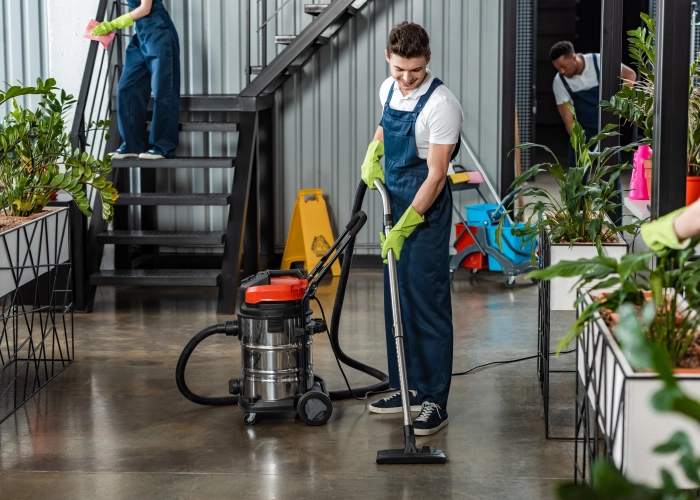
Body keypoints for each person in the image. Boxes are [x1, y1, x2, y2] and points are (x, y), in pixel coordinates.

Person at [361, 22, 463, 436]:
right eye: (399, 69)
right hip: (395, 204)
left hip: (425, 212)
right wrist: (374, 151)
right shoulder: (388, 89)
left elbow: (436, 176)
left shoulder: (442, 105)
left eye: (415, 71)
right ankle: (408, 390)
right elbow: (385, 127)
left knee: (427, 302)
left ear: (428, 60)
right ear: (388, 58)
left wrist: (405, 226)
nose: (406, 79)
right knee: (398, 299)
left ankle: (435, 400)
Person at [550, 41, 636, 224]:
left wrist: (621, 104)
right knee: (577, 180)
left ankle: (615, 226)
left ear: (574, 57)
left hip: (607, 130)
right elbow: (568, 119)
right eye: (558, 69)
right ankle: (578, 226)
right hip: (582, 132)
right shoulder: (560, 82)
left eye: (564, 66)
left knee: (610, 180)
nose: (562, 71)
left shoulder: (599, 62)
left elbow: (630, 75)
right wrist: (580, 145)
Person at [92, 0, 180, 160]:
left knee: (164, 89)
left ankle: (163, 147)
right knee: (127, 87)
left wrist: (113, 24)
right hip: (141, 34)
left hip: (159, 31)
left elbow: (145, 8)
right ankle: (131, 145)